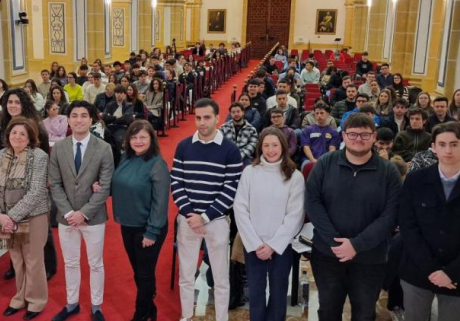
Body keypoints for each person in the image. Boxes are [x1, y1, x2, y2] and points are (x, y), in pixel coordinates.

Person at [304, 113, 402, 321]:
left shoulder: (389, 171)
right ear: (344, 136)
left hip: (370, 258)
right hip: (328, 255)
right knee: (328, 311)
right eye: (353, 134)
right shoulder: (324, 164)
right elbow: (312, 203)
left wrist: (356, 245)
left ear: (374, 137)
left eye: (365, 135)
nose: (359, 139)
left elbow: (391, 214)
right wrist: (335, 242)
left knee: (365, 313)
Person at [399, 121, 460, 321]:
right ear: (433, 147)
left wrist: (450, 273)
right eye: (442, 144)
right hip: (418, 269)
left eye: (454, 144)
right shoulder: (415, 181)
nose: (448, 150)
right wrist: (432, 270)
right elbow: (408, 227)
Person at [171, 98, 242, 321]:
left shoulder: (231, 150)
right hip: (188, 219)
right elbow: (176, 183)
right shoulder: (183, 146)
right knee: (186, 275)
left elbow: (230, 189)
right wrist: (191, 214)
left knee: (221, 279)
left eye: (207, 117)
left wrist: (205, 216)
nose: (202, 123)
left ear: (217, 118)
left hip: (217, 220)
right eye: (198, 117)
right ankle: (186, 316)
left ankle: (221, 318)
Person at [49, 101, 114, 321]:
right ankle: (72, 303)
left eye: (83, 115)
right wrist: (69, 213)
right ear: (68, 120)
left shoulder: (103, 148)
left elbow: (104, 186)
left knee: (96, 263)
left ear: (91, 119)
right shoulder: (59, 148)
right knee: (71, 262)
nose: (78, 120)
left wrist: (83, 213)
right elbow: (55, 184)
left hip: (93, 217)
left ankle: (97, 306)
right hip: (66, 218)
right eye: (74, 115)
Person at [234, 127, 305, 321]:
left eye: (274, 145)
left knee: (278, 293)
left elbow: (295, 215)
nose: (270, 150)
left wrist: (273, 245)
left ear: (283, 146)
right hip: (253, 245)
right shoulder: (250, 172)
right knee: (256, 294)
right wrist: (256, 243)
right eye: (266, 145)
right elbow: (240, 208)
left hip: (281, 247)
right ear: (260, 148)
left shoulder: (294, 176)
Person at [0, 118, 51, 319]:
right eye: (14, 133)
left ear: (30, 136)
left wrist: (10, 217)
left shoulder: (38, 156)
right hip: (4, 217)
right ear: (8, 135)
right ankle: (20, 297)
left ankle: (36, 301)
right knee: (16, 260)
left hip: (33, 216)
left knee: (33, 261)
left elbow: (36, 192)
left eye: (23, 134)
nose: (18, 137)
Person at [111, 120, 170, 321]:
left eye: (142, 137)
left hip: (148, 228)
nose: (138, 141)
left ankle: (140, 313)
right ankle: (150, 308)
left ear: (151, 139)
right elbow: (121, 184)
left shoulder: (157, 164)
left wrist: (151, 231)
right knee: (138, 272)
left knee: (144, 274)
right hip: (128, 224)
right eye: (134, 137)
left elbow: (160, 203)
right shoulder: (126, 158)